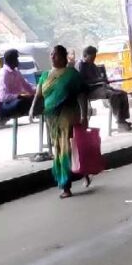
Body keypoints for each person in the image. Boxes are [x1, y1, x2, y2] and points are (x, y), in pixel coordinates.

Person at [32, 45, 89, 198]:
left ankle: (66, 186)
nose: (52, 57)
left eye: (56, 55)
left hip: (68, 115)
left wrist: (84, 115)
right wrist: (32, 110)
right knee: (59, 149)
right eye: (51, 54)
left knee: (65, 149)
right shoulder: (45, 75)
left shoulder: (72, 75)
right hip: (51, 118)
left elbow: (82, 95)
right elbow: (38, 96)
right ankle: (82, 173)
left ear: (64, 57)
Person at [76, 46, 132, 132]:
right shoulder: (81, 66)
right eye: (92, 57)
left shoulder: (92, 65)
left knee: (123, 93)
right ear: (85, 55)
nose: (93, 59)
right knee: (113, 95)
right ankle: (119, 122)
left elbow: (99, 77)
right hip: (91, 90)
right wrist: (98, 80)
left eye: (94, 57)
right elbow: (83, 82)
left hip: (100, 87)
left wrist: (102, 80)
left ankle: (123, 119)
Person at [0, 49, 36, 124]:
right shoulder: (3, 74)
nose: (18, 61)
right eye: (16, 59)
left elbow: (27, 86)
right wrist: (18, 96)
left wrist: (39, 90)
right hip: (3, 106)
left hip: (15, 101)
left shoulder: (16, 72)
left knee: (35, 99)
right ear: (10, 60)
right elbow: (3, 97)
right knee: (21, 102)